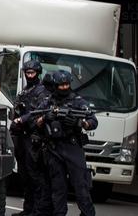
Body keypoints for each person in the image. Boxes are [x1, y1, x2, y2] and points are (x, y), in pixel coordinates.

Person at [35, 71, 98, 216]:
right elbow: (34, 121)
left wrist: (80, 122)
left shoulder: (78, 101)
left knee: (81, 187)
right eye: (61, 85)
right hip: (54, 149)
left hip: (73, 148)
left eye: (67, 84)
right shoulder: (48, 101)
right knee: (58, 189)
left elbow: (93, 121)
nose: (64, 87)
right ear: (55, 86)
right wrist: (45, 117)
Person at [10, 60, 52, 216]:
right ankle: (28, 209)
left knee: (35, 176)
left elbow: (40, 112)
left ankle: (37, 211)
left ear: (38, 73)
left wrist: (23, 119)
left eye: (32, 73)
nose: (29, 76)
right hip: (22, 137)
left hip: (34, 138)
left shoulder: (42, 91)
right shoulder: (25, 90)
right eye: (27, 73)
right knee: (25, 176)